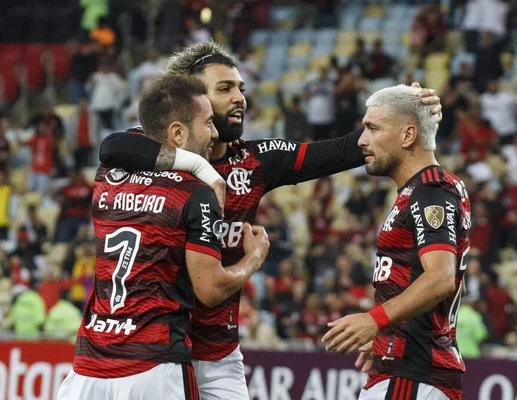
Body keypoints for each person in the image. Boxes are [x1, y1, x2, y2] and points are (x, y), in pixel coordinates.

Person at [97, 41, 442, 400]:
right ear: (192, 98)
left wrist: (406, 112)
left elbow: (343, 149)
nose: (239, 99)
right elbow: (111, 146)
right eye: (225, 88)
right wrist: (200, 169)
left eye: (241, 89)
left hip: (217, 356)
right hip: (156, 351)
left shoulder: (254, 162)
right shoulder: (148, 151)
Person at [57, 74, 270, 400]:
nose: (215, 134)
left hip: (88, 366)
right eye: (208, 123)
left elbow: (114, 144)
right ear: (178, 133)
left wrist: (198, 165)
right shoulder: (196, 195)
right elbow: (210, 290)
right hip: (154, 365)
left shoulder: (107, 176)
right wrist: (253, 257)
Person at [321, 84, 471, 400]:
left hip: (413, 373)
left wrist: (373, 321)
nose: (361, 140)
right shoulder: (424, 189)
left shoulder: (431, 192)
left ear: (407, 136)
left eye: (372, 128)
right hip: (405, 368)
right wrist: (384, 335)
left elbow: (441, 278)